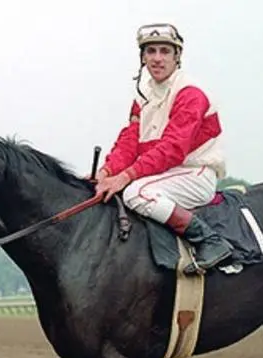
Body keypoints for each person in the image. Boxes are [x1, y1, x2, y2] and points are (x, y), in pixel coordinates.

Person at [94, 22, 233, 274]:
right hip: (163, 174)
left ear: (177, 56)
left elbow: (172, 148)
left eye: (165, 51)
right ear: (143, 57)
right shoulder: (143, 95)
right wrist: (106, 172)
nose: (157, 58)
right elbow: (129, 142)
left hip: (194, 173)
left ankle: (210, 241)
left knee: (135, 194)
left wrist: (125, 176)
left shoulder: (191, 93)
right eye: (151, 51)